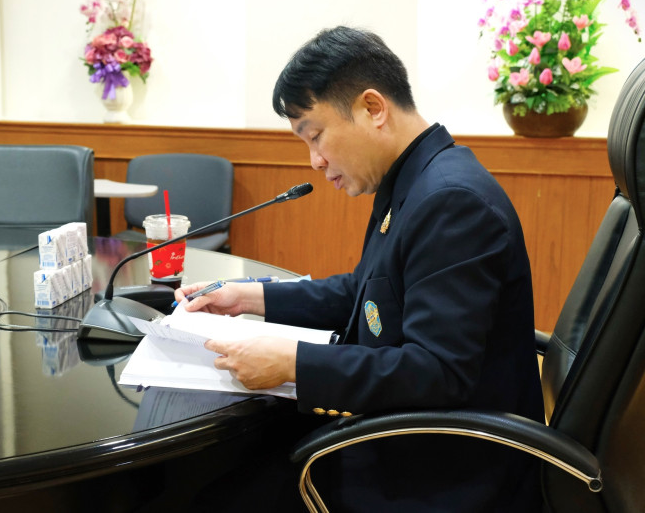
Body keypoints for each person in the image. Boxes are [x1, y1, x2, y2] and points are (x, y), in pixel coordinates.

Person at [174, 26, 545, 512]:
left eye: (316, 135)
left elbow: (437, 372)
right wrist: (247, 297)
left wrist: (292, 363)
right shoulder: (414, 179)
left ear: (373, 108)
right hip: (403, 438)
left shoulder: (451, 201)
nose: (315, 160)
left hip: (444, 472)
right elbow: (366, 293)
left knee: (208, 491)